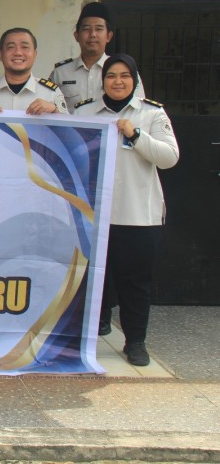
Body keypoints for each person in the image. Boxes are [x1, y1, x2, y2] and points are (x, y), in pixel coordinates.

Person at [75, 54, 179, 366]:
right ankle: (87, 338)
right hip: (95, 216)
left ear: (134, 80)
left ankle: (135, 341)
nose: (117, 82)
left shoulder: (150, 114)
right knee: (90, 281)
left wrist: (135, 135)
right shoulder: (86, 112)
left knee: (135, 282)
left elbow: (169, 157)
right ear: (102, 80)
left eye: (124, 76)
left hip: (137, 216)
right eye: (111, 76)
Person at [50, 2, 145, 113]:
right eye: (86, 29)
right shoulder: (60, 73)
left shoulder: (126, 72)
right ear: (76, 36)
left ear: (109, 36)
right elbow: (50, 107)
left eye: (99, 29)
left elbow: (139, 110)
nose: (92, 34)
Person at [0, 28, 68, 115]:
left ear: (35, 54)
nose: (18, 53)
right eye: (11, 47)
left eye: (25, 47)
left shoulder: (51, 93)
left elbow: (69, 128)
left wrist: (54, 110)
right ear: (1, 55)